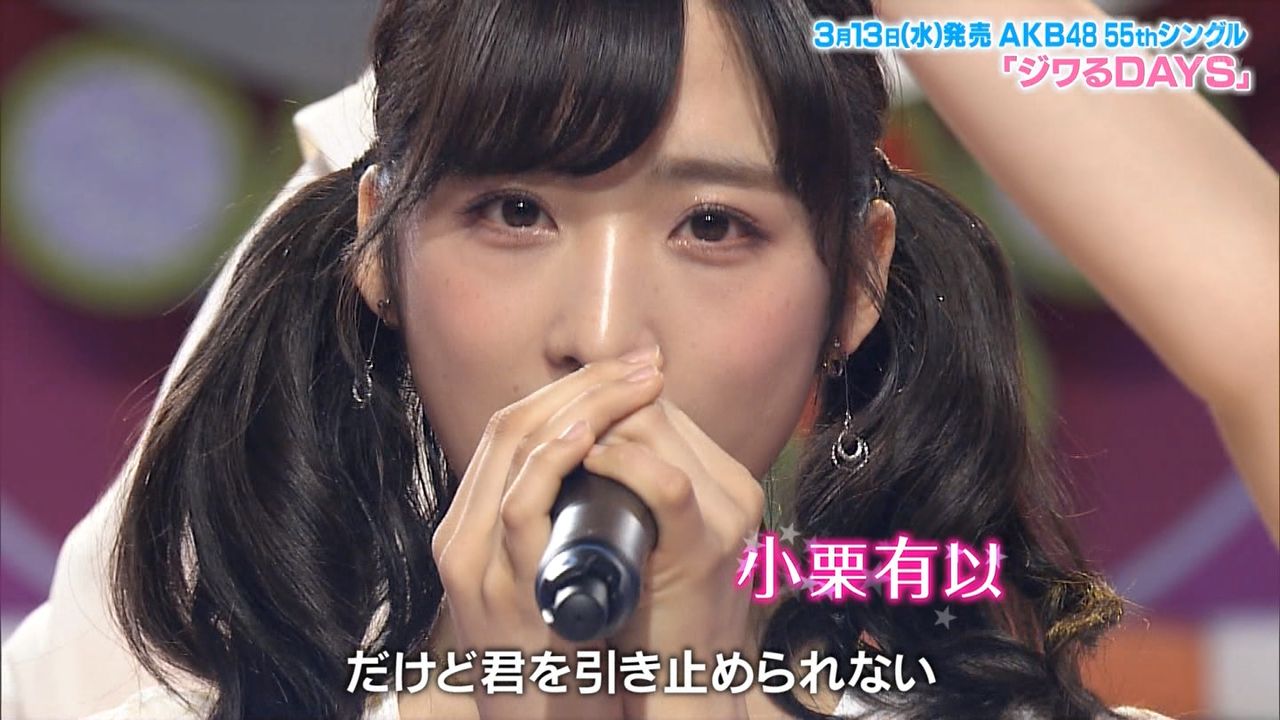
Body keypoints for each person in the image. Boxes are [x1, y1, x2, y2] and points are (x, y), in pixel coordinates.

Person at [2, 0, 1275, 718]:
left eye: (713, 226)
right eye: (513, 211)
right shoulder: (141, 693)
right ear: (376, 252)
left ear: (856, 282)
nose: (604, 332)